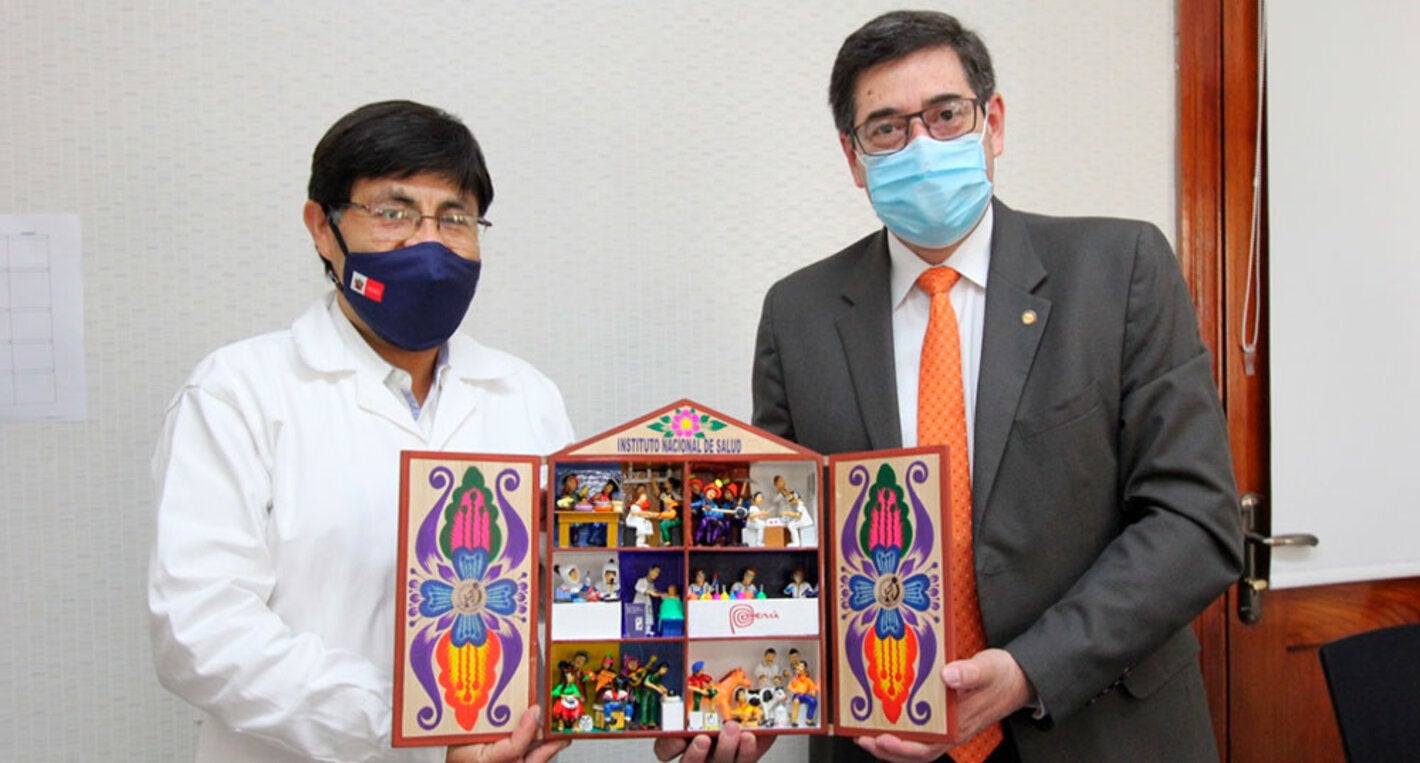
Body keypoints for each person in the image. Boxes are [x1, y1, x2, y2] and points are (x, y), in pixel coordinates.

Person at [749, 10, 1243, 763]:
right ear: (854, 156)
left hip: (1099, 726)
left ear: (994, 122)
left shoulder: (1120, 270)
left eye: (946, 114)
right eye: (887, 128)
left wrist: (1028, 670)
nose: (921, 144)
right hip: (881, 734)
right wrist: (735, 688)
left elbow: (1195, 519)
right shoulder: (799, 314)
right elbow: (787, 543)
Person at [148, 101, 574, 763]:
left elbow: (564, 593)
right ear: (323, 227)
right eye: (393, 212)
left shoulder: (526, 396)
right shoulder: (238, 392)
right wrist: (405, 722)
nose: (429, 245)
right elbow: (199, 632)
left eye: (454, 217)